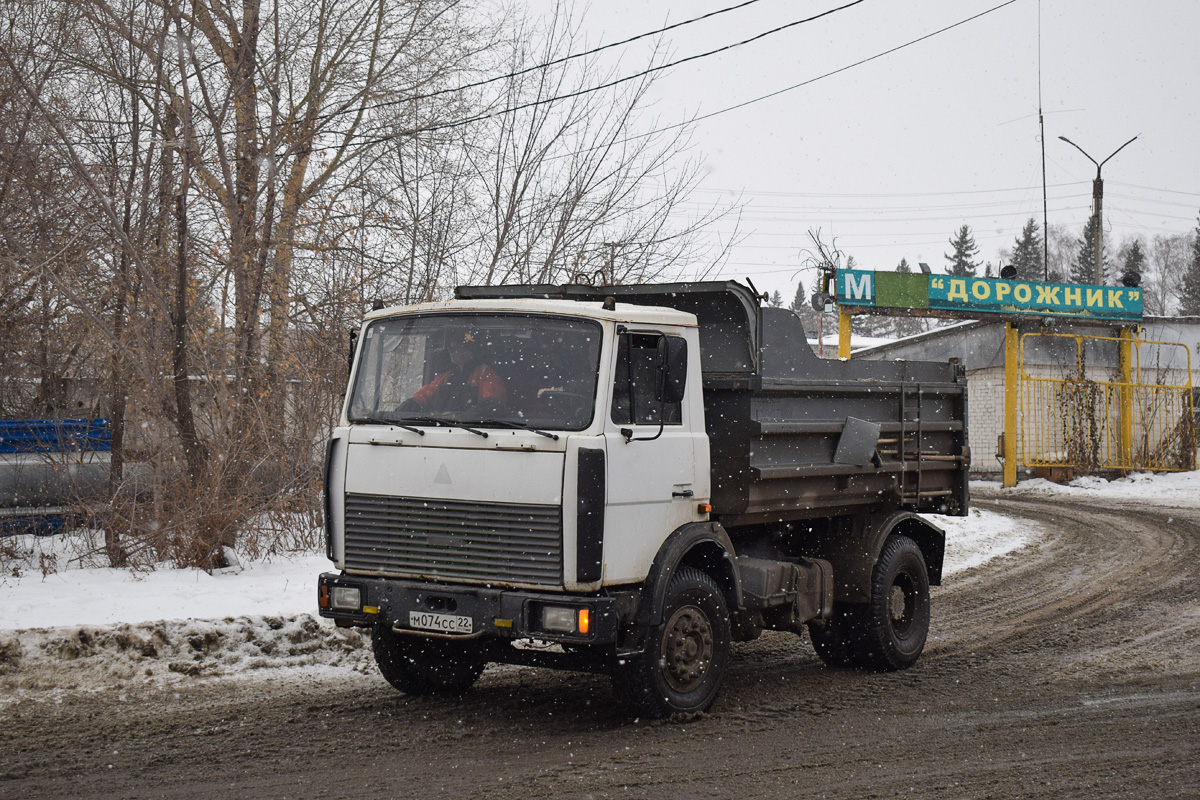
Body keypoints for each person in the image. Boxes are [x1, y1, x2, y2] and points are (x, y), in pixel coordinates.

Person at [401, 330, 506, 413]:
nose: (450, 352)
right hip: (442, 428)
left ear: (468, 350)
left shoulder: (486, 374)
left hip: (474, 431)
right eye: (449, 348)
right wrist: (413, 403)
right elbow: (426, 394)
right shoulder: (446, 376)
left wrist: (466, 417)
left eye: (454, 348)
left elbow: (489, 407)